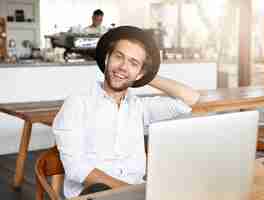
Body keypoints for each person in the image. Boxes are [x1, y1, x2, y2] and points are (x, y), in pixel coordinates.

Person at [52, 26, 200, 198]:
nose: (123, 67)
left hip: (135, 193)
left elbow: (189, 99)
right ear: (107, 58)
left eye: (133, 63)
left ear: (140, 74)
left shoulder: (139, 107)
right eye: (118, 57)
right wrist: (133, 193)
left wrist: (147, 76)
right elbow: (77, 170)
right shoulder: (77, 103)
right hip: (95, 195)